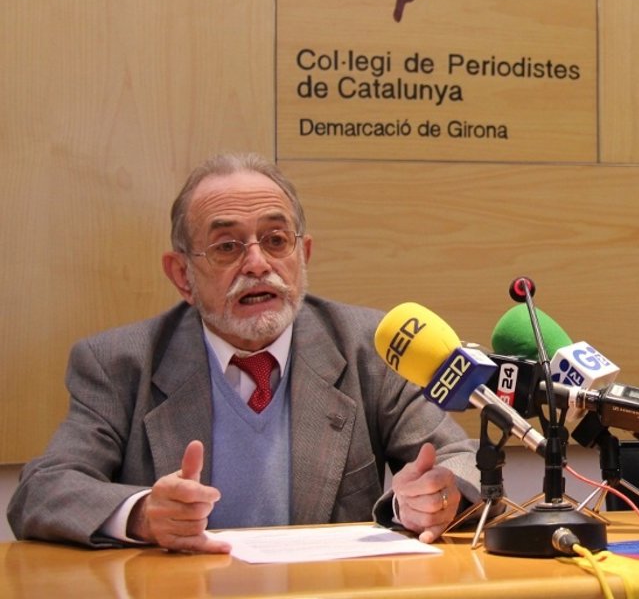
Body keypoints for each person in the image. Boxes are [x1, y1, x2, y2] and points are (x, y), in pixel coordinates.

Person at [7, 153, 479, 551]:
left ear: (303, 256)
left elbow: (462, 459)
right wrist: (142, 514)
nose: (257, 264)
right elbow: (43, 491)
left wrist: (435, 496)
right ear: (182, 276)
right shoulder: (119, 364)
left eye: (276, 241)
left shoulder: (369, 347)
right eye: (227, 247)